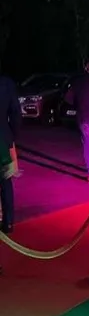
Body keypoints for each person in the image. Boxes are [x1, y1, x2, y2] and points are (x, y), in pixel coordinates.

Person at [0, 72, 21, 234]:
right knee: (5, 180)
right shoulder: (6, 83)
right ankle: (8, 222)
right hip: (3, 136)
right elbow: (15, 113)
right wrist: (12, 136)